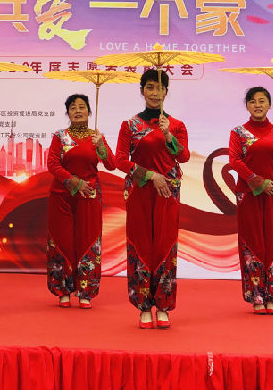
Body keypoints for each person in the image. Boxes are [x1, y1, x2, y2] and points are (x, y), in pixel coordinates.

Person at [115, 70, 189, 329]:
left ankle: (164, 305)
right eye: (150, 87)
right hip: (140, 192)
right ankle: (144, 306)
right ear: (142, 91)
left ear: (166, 92)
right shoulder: (130, 125)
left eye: (160, 88)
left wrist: (168, 136)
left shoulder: (176, 125)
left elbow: (183, 157)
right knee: (141, 244)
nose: (155, 93)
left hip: (168, 193)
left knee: (165, 245)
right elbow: (120, 161)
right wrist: (149, 175)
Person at [229, 86, 273, 315]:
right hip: (249, 193)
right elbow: (234, 161)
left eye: (261, 101)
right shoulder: (238, 132)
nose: (257, 105)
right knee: (253, 241)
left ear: (269, 105)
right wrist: (258, 182)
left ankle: (272, 296)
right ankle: (257, 297)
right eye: (252, 101)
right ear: (247, 106)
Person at [46, 94, 116, 309]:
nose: (77, 111)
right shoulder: (60, 136)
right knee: (63, 240)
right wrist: (74, 182)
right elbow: (53, 164)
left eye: (82, 107)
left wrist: (101, 146)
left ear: (89, 111)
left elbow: (111, 164)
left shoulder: (96, 137)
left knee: (88, 241)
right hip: (62, 195)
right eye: (73, 108)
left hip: (89, 195)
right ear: (67, 113)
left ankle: (86, 290)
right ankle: (63, 290)